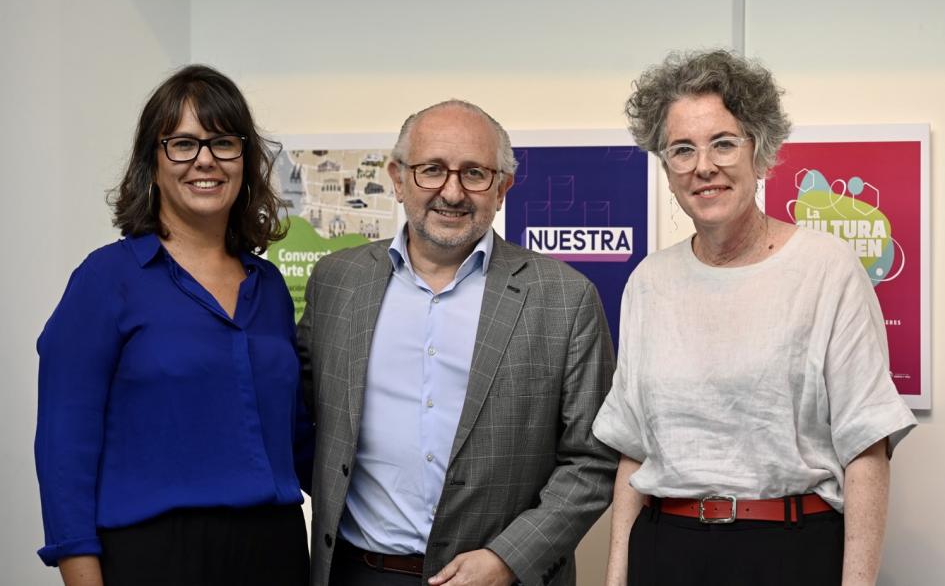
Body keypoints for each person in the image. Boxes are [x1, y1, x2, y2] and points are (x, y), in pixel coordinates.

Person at [592, 49, 917, 586]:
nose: (703, 166)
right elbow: (634, 453)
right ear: (666, 167)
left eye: (723, 143)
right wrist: (615, 578)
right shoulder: (649, 282)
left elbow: (866, 447)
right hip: (665, 549)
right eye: (681, 150)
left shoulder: (826, 270)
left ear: (760, 152)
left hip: (790, 552)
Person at [297, 99, 617, 586]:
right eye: (432, 170)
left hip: (501, 578)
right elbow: (301, 418)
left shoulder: (564, 298)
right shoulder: (336, 283)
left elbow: (592, 459)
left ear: (503, 188)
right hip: (358, 572)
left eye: (474, 173)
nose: (452, 191)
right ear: (398, 178)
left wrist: (509, 559)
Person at [35, 64, 313, 586]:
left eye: (223, 142)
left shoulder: (269, 286)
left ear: (244, 159)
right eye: (182, 144)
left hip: (274, 550)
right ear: (152, 162)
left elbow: (299, 439)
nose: (204, 160)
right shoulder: (106, 280)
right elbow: (63, 446)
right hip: (152, 556)